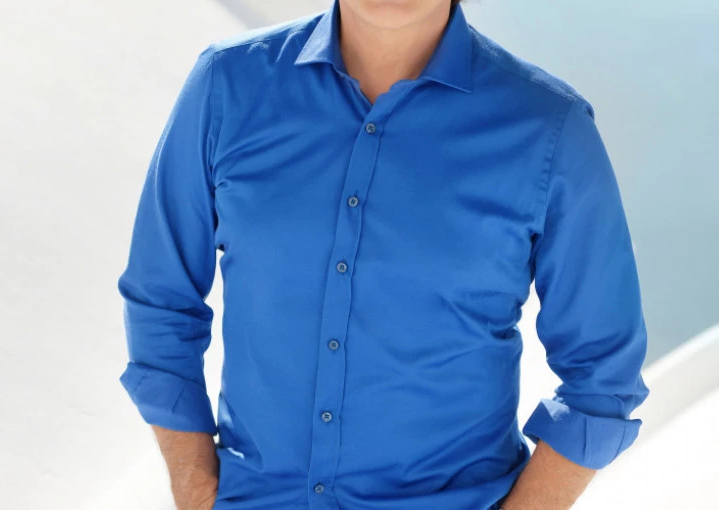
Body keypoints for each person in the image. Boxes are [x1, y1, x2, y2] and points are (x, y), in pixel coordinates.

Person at [116, 1, 650, 509]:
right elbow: (161, 299)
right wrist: (195, 490)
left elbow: (602, 380)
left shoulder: (549, 131)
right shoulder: (227, 86)